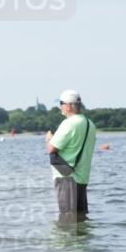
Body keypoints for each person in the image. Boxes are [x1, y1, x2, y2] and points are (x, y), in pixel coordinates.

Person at [45, 89, 97, 221]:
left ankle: (67, 242)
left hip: (67, 178)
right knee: (80, 219)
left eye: (61, 103)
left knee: (67, 218)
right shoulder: (90, 124)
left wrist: (48, 138)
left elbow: (51, 149)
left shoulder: (69, 123)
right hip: (82, 178)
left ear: (68, 105)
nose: (60, 107)